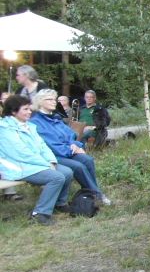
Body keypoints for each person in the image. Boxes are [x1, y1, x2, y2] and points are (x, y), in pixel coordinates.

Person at [0, 95, 74, 225]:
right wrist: (45, 164)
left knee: (67, 172)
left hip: (35, 163)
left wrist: (51, 161)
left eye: (30, 109)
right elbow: (20, 153)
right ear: (13, 112)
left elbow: (42, 146)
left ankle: (59, 203)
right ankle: (40, 213)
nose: (30, 112)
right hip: (16, 166)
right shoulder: (5, 129)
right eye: (25, 109)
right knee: (56, 177)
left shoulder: (28, 126)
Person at [30, 89, 111, 206]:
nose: (54, 102)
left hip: (66, 151)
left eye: (54, 99)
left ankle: (91, 192)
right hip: (52, 156)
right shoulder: (36, 122)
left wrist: (76, 145)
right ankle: (97, 195)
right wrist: (71, 150)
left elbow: (70, 134)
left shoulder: (55, 118)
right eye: (50, 99)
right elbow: (50, 145)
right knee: (78, 166)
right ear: (40, 102)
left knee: (88, 160)